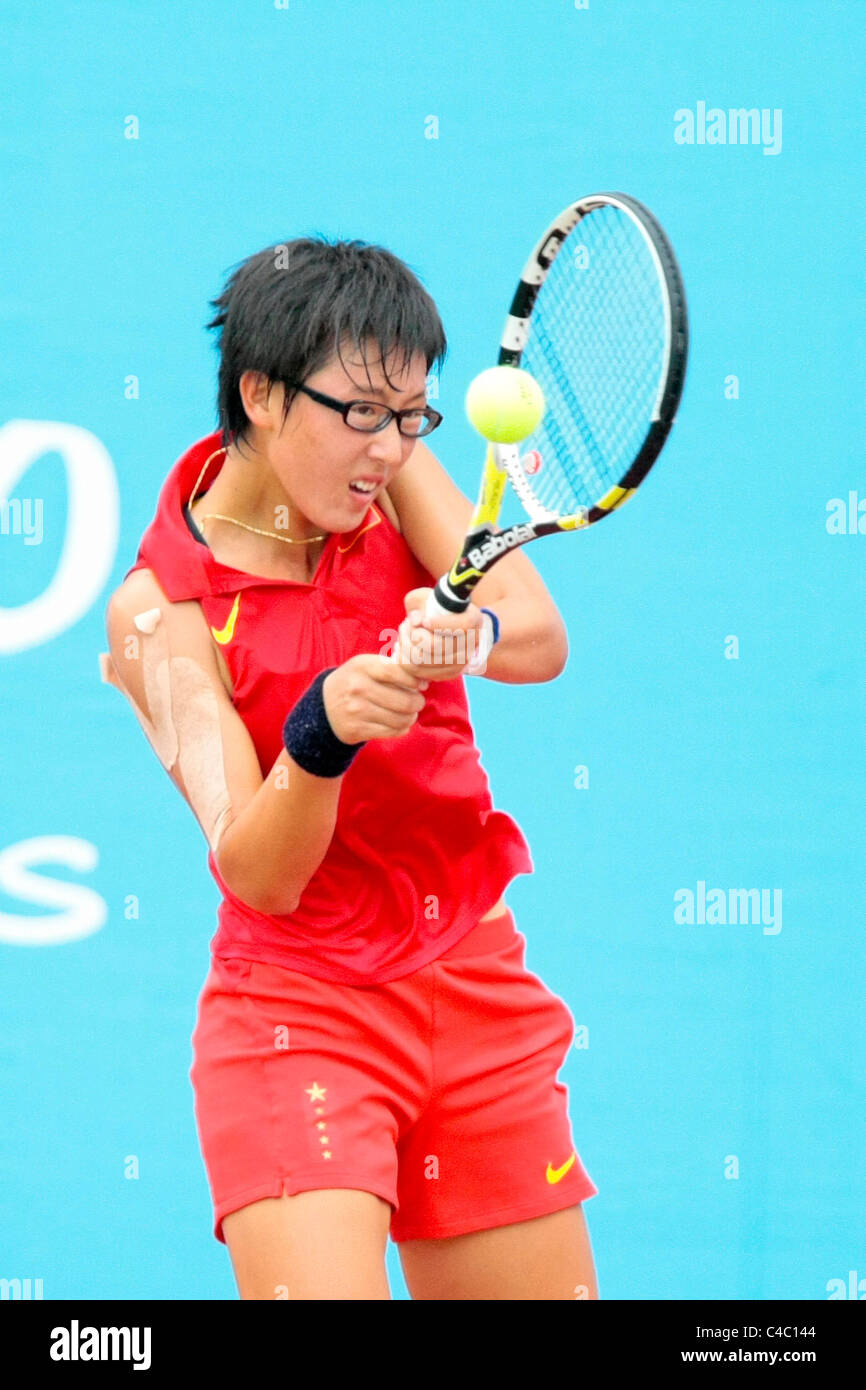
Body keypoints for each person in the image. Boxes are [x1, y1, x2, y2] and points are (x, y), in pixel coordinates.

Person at [101, 236, 599, 1300]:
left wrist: (465, 637)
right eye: (361, 413)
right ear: (261, 394)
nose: (387, 445)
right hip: (301, 1019)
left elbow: (538, 638)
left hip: (472, 982)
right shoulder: (156, 612)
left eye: (412, 414)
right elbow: (260, 873)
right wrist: (318, 740)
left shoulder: (397, 476)